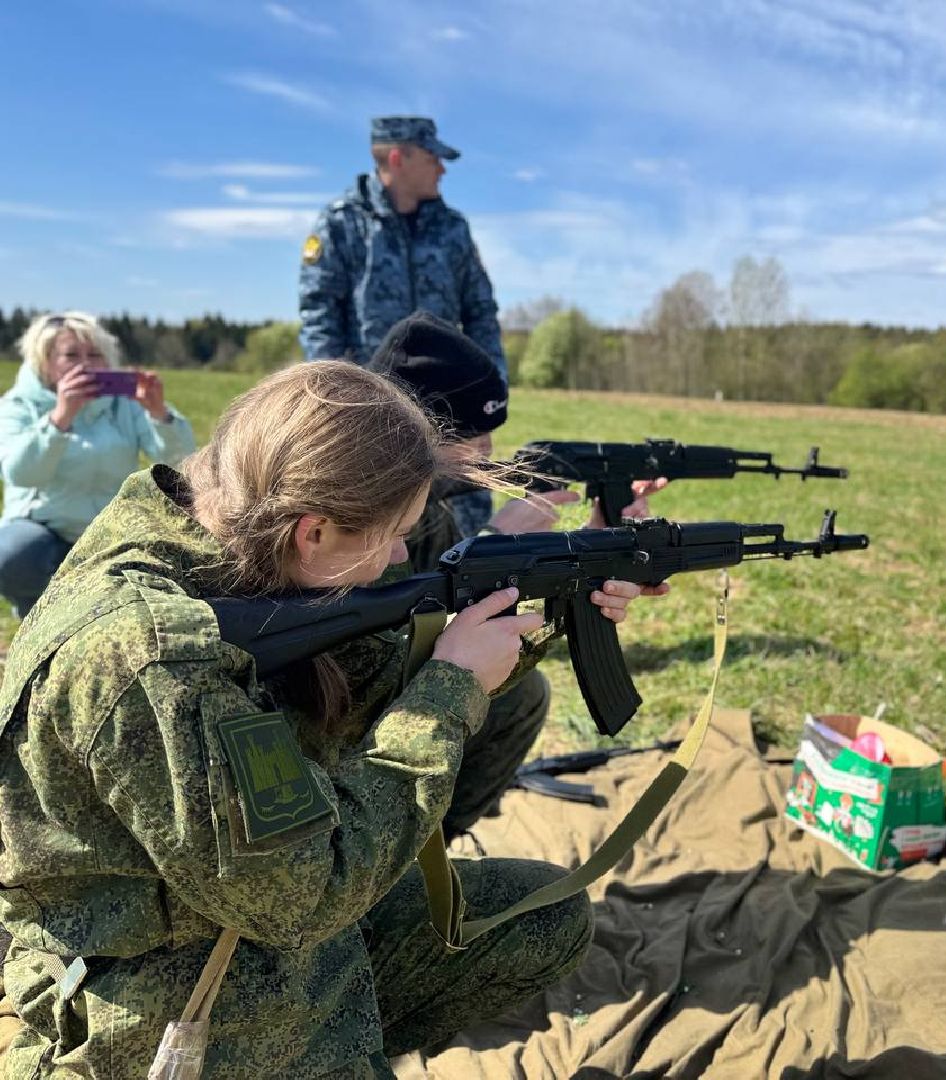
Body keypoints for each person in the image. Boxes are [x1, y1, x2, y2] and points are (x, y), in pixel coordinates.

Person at [0, 362, 663, 1076]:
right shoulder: (152, 662)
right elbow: (307, 894)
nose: (403, 556)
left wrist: (549, 598)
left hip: (233, 902)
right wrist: (450, 690)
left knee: (542, 913)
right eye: (395, 534)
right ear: (312, 531)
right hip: (156, 993)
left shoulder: (192, 523)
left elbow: (337, 682)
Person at [366, 312, 666, 841]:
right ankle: (390, 855)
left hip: (387, 706)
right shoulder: (352, 513)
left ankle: (424, 849)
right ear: (415, 429)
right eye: (472, 436)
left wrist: (581, 553)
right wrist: (494, 546)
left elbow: (448, 613)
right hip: (339, 725)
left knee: (523, 699)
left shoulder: (430, 510)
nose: (486, 453)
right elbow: (380, 660)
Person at [298, 115, 505, 533]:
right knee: (376, 525)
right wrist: (338, 406)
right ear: (398, 157)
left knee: (463, 526)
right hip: (372, 408)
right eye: (433, 158)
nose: (442, 169)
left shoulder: (452, 229)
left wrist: (488, 395)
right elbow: (319, 314)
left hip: (452, 410)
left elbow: (481, 310)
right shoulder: (341, 224)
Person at [0, 311, 195, 619]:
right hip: (43, 528)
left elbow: (180, 463)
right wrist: (59, 418)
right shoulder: (18, 405)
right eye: (71, 355)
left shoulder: (125, 403)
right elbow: (21, 474)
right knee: (11, 555)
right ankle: (35, 612)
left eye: (95, 355)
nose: (86, 364)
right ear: (45, 362)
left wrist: (159, 415)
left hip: (107, 527)